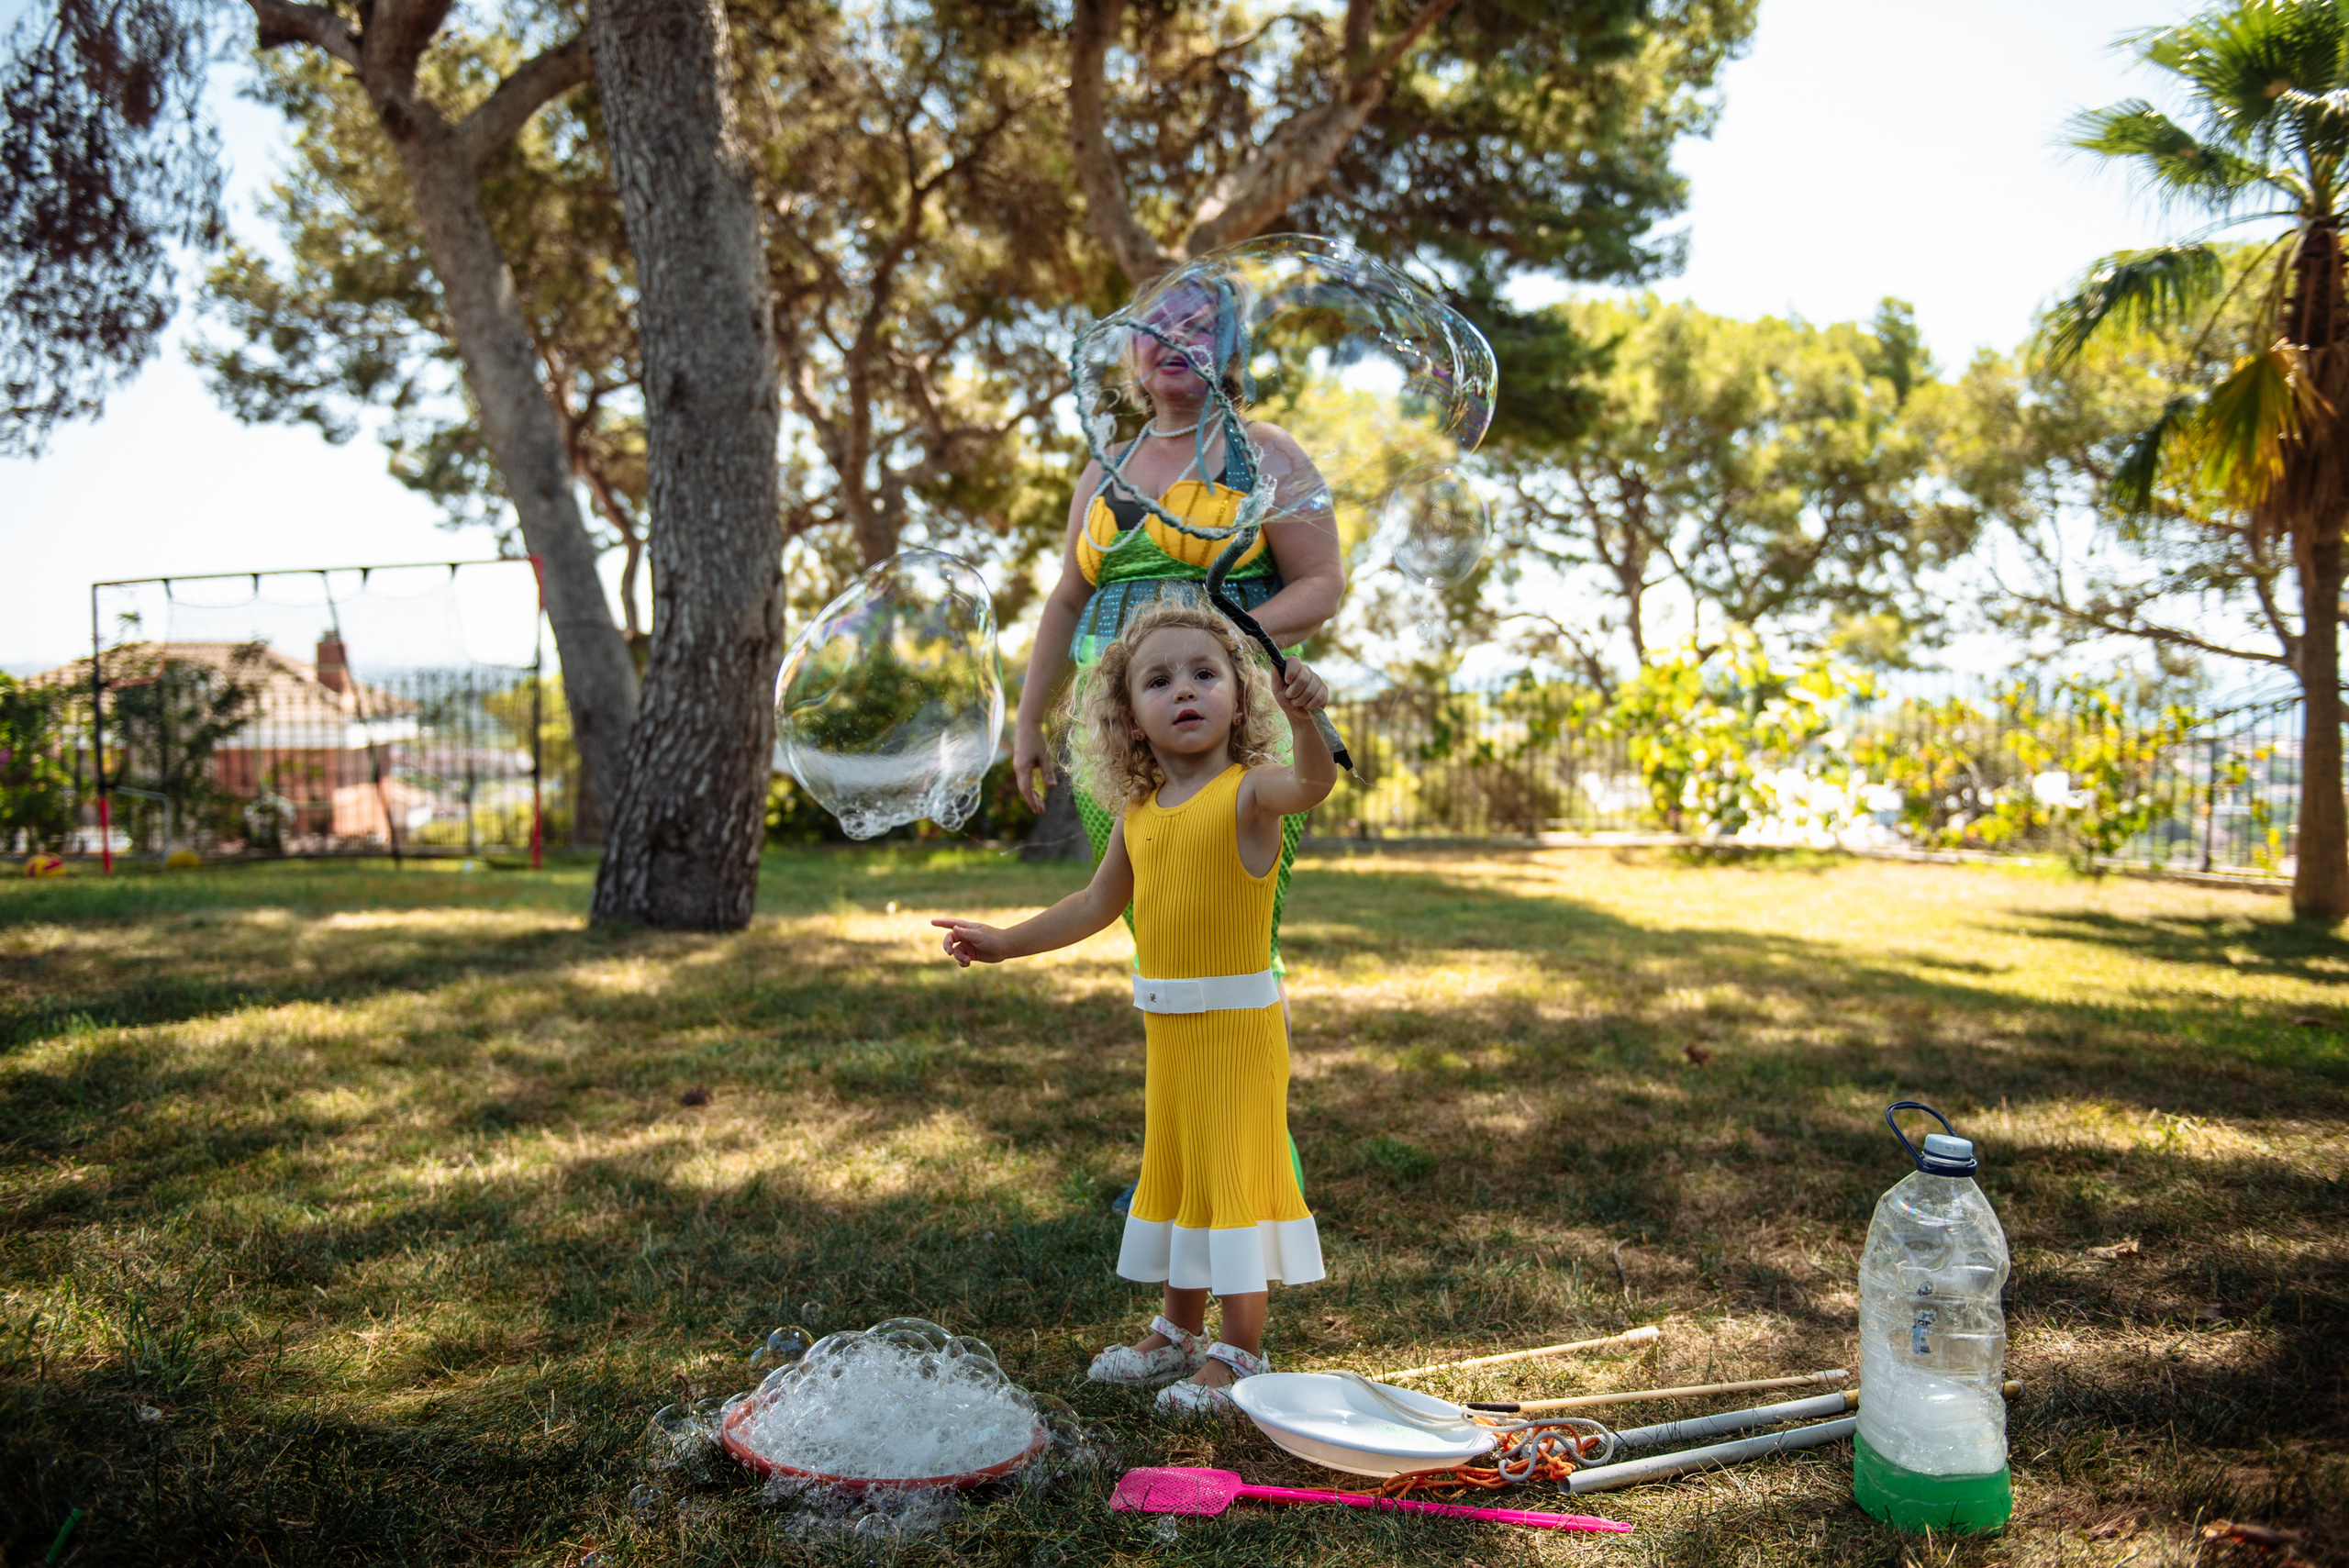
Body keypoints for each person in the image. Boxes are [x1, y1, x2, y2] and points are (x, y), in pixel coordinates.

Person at [934, 603, 1335, 1413]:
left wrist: (1309, 720)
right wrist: (1004, 941)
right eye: (1159, 680)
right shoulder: (1139, 815)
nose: (1183, 689)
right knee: (1181, 1171)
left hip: (1237, 1033)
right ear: (1129, 717)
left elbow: (1313, 782)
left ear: (1238, 695)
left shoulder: (1250, 794)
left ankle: (1241, 1351)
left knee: (1232, 1177)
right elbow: (1092, 904)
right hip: (1171, 1032)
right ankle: (1178, 1332)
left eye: (1203, 673)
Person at [1014, 275, 1344, 987]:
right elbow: (1068, 601)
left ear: (1231, 351)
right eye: (1157, 324)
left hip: (1232, 725)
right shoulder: (1102, 473)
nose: (1175, 336)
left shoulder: (1267, 451)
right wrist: (1028, 719)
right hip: (1120, 733)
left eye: (1199, 324)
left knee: (1239, 929)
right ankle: (1182, 1069)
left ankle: (1247, 1072)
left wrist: (1220, 634)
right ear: (1132, 351)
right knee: (1154, 919)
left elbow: (1322, 585)